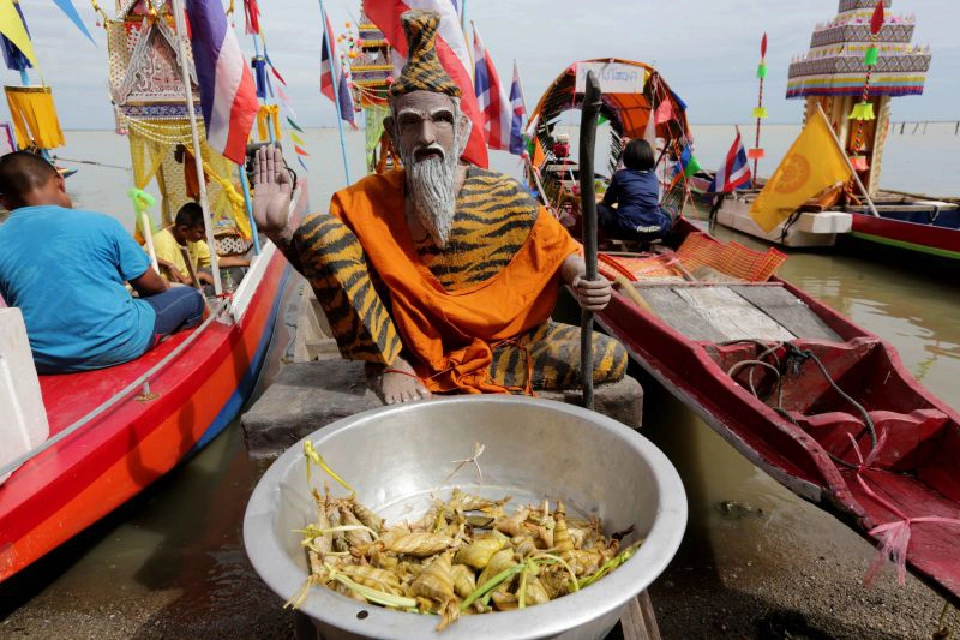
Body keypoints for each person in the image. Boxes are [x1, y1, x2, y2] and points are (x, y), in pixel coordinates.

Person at [252, 10, 627, 405]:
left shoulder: (501, 192)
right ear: (393, 133)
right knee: (318, 230)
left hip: (502, 341)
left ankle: (457, 371)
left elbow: (560, 252)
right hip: (404, 344)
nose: (427, 136)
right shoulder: (367, 201)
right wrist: (280, 229)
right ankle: (389, 364)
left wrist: (582, 281)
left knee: (609, 357)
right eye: (411, 123)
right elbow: (334, 271)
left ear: (461, 129)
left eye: (440, 120)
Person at [0, 151, 205, 373]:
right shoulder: (101, 223)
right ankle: (188, 366)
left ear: (5, 203)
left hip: (41, 358)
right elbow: (152, 286)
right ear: (60, 181)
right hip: (118, 342)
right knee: (192, 297)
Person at [597, 138, 671, 241]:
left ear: (628, 157)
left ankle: (598, 239)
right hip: (655, 229)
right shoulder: (653, 177)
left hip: (626, 229)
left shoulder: (621, 176)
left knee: (598, 208)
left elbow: (608, 201)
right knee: (665, 212)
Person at [152, 202, 214, 286]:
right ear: (183, 230)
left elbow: (215, 260)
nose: (204, 236)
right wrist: (202, 276)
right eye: (200, 232)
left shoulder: (190, 238)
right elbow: (168, 284)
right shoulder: (164, 243)